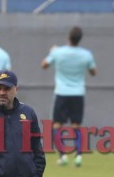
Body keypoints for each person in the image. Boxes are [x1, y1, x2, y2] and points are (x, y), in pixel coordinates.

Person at [41, 26, 96, 167]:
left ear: (68, 37)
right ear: (80, 39)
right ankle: (78, 156)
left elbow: (44, 65)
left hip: (62, 93)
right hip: (78, 93)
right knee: (76, 126)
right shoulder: (86, 54)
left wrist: (52, 52)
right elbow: (93, 72)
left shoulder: (58, 52)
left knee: (57, 125)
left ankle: (63, 155)